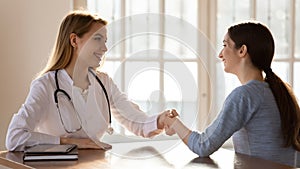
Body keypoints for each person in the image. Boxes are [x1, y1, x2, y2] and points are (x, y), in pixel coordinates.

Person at [5, 11, 174, 151]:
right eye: (97, 39)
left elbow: (134, 120)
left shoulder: (104, 82)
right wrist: (67, 142)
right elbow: (15, 138)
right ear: (74, 40)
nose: (105, 48)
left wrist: (160, 120)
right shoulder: (45, 86)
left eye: (105, 41)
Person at [163, 22, 300, 167]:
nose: (220, 54)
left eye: (225, 45)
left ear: (242, 51)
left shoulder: (244, 95)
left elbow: (203, 146)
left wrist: (173, 123)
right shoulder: (276, 91)